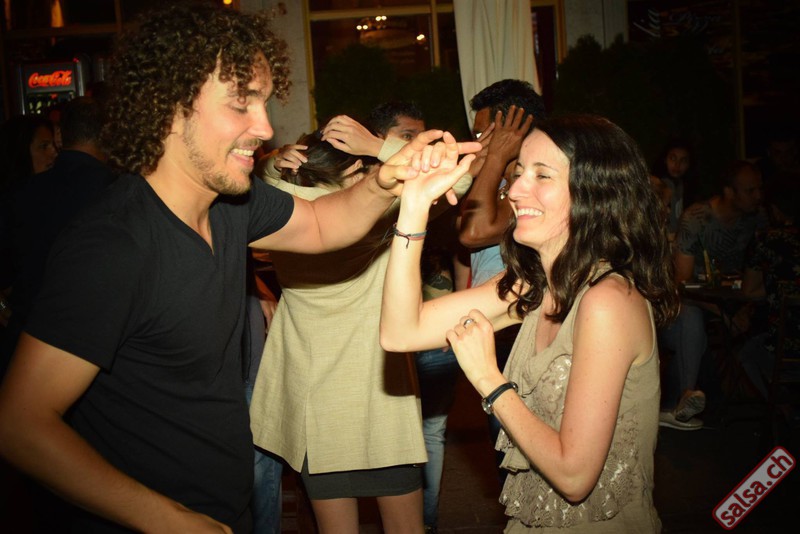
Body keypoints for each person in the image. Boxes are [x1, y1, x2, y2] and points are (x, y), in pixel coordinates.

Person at [0, 3, 477, 533]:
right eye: (240, 104)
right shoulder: (113, 245)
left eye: (264, 103)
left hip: (226, 509)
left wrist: (384, 180)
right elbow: (20, 424)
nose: (265, 126)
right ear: (169, 107)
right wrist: (171, 520)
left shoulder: (230, 204)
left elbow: (322, 224)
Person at [380, 114, 679, 532]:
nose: (516, 189)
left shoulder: (608, 301)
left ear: (595, 192)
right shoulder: (533, 286)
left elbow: (574, 477)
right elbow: (400, 333)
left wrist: (488, 378)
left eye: (542, 175)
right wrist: (413, 208)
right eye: (518, 172)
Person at [249, 131, 475, 534]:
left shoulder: (285, 209)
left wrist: (272, 162)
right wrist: (377, 145)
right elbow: (459, 179)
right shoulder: (380, 212)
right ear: (355, 169)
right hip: (379, 399)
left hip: (316, 407)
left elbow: (249, 182)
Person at [458, 79, 546, 483]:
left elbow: (474, 232)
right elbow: (464, 237)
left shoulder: (536, 183)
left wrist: (495, 159)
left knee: (520, 452)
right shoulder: (498, 178)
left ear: (515, 128)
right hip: (495, 324)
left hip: (523, 327)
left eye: (484, 133)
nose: (476, 142)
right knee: (505, 450)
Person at [659, 160, 769, 430]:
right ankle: (686, 395)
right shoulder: (697, 219)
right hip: (698, 304)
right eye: (750, 190)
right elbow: (682, 286)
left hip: (740, 302)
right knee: (690, 318)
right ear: (730, 192)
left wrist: (743, 310)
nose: (758, 196)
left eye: (760, 189)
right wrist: (723, 313)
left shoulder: (757, 220)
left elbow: (763, 277)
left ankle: (778, 405)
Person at [651, 138, 697, 237]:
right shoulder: (658, 184)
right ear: (665, 159)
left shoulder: (684, 186)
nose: (677, 165)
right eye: (673, 158)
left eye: (683, 161)